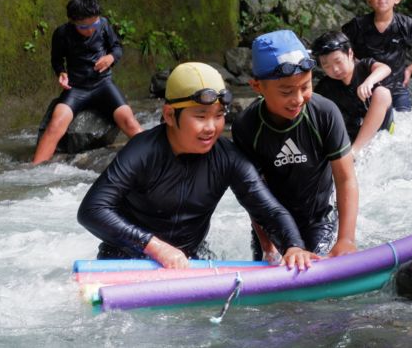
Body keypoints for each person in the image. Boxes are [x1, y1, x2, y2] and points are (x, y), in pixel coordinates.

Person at [78, 62, 317, 270]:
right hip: (125, 261)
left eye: (218, 115)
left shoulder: (227, 157)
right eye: (201, 116)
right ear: (170, 115)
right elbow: (92, 211)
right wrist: (156, 248)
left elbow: (269, 210)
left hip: (190, 262)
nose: (212, 127)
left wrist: (293, 246)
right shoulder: (143, 151)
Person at [231, 29, 359, 262]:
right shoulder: (246, 127)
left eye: (305, 87)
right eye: (287, 91)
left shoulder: (325, 113)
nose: (298, 99)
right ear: (257, 87)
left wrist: (346, 240)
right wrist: (268, 247)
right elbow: (253, 192)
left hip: (319, 219)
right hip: (273, 225)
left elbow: (346, 178)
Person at [33, 0, 143, 164]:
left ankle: (159, 158)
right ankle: (34, 171)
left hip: (103, 84)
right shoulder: (62, 34)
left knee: (129, 121)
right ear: (72, 21)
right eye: (84, 27)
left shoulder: (104, 25)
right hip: (76, 89)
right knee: (55, 125)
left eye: (95, 23)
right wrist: (61, 73)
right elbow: (56, 60)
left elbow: (117, 48)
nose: (91, 29)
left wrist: (110, 58)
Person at [342, 0, 412, 111]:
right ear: (369, 0)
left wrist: (410, 69)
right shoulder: (357, 25)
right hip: (365, 88)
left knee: (402, 126)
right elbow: (339, 49)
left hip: (397, 89)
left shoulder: (406, 24)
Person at [312, 30, 394, 156]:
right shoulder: (325, 87)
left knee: (382, 93)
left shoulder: (364, 67)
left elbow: (385, 68)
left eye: (338, 61)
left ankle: (355, 150)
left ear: (350, 53)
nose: (335, 69)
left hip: (381, 131)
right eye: (326, 66)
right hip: (352, 134)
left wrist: (369, 81)